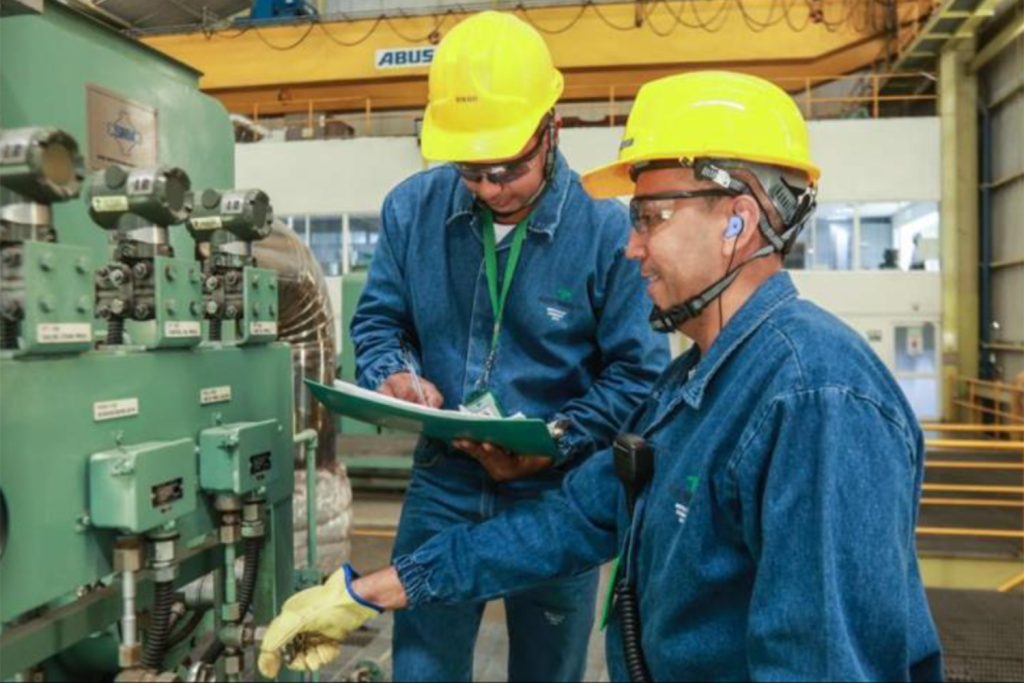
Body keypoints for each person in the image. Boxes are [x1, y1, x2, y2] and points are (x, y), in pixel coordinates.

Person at [260, 71, 944, 682]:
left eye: (651, 217)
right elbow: (565, 521)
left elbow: (822, 663)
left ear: (739, 218)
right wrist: (366, 590)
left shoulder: (816, 399)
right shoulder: (688, 392)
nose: (630, 245)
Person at [302, 11, 668, 682]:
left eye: (509, 168)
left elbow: (638, 374)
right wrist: (397, 375)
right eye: (472, 171)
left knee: (548, 670)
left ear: (551, 130)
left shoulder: (606, 233)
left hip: (556, 494)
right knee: (422, 668)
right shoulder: (412, 210)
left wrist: (552, 439)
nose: (492, 187)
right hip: (444, 479)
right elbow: (380, 323)